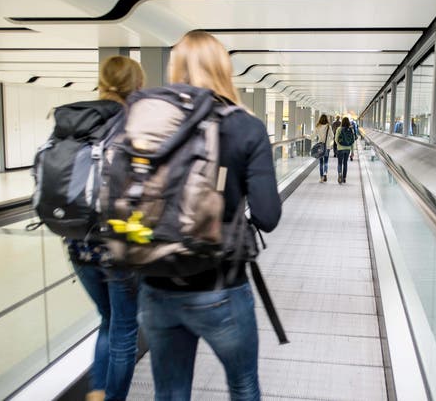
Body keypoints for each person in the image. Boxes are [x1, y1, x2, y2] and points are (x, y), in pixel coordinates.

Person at [137, 30, 282, 401]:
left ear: (175, 68)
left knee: (169, 392)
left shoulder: (148, 124)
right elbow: (267, 215)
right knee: (243, 385)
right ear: (224, 69)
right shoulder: (245, 126)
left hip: (156, 284)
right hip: (221, 283)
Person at [68, 55, 146, 401]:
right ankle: (111, 396)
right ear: (138, 87)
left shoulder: (75, 122)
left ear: (102, 82)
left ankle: (98, 391)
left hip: (77, 242)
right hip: (120, 245)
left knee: (107, 319)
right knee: (125, 328)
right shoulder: (135, 126)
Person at [312, 114, 333, 182]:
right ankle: (325, 174)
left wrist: (306, 136)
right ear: (326, 119)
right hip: (327, 146)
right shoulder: (328, 127)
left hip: (320, 147)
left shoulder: (318, 126)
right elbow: (332, 136)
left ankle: (321, 178)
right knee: (326, 162)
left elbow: (313, 137)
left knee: (321, 162)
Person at [334, 117, 355, 184]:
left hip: (340, 149)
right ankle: (344, 178)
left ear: (342, 122)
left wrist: (338, 145)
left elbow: (336, 139)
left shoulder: (339, 129)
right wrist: (352, 151)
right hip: (348, 148)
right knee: (345, 163)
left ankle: (340, 174)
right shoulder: (351, 129)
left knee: (340, 163)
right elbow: (352, 141)